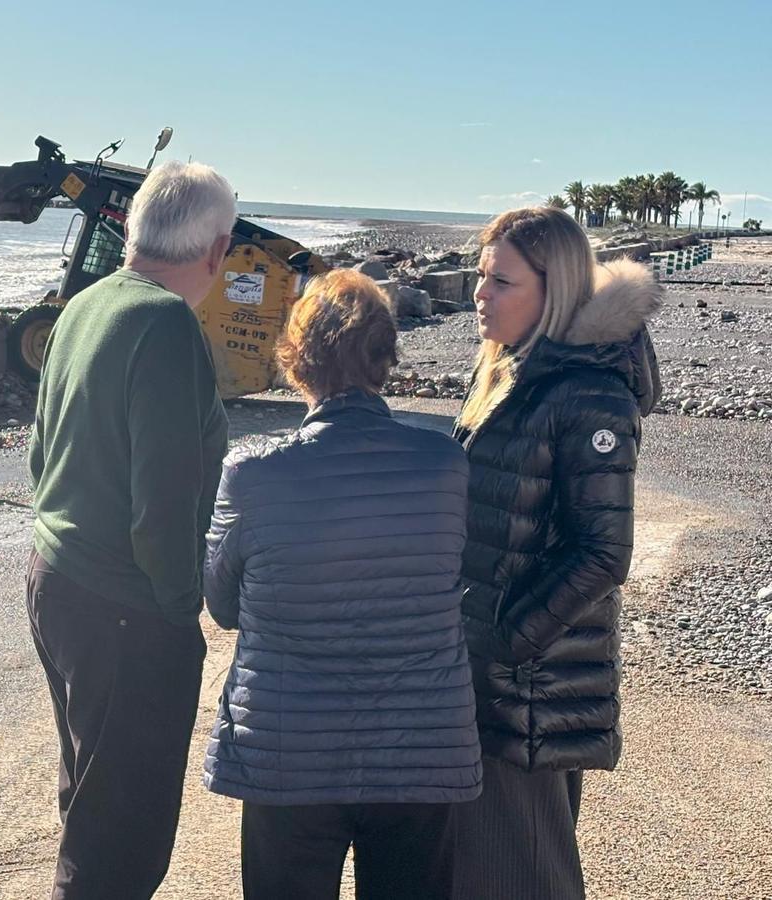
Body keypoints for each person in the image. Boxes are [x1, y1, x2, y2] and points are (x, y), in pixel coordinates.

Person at [202, 268, 482, 900]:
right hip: (421, 749)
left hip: (287, 753)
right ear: (384, 357)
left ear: (296, 359)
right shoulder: (446, 465)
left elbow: (222, 605)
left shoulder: (251, 475)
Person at [26, 160, 234, 900]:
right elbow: (164, 501)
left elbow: (40, 453)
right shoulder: (165, 323)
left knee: (91, 807)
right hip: (126, 608)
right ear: (217, 249)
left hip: (56, 581)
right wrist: (179, 611)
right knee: (120, 843)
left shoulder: (84, 306)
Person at [450, 207, 662, 899]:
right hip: (494, 678)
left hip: (529, 687)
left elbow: (603, 553)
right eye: (481, 276)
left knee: (526, 875)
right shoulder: (510, 373)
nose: (480, 294)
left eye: (501, 281)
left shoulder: (587, 394)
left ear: (555, 290)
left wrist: (506, 641)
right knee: (485, 871)